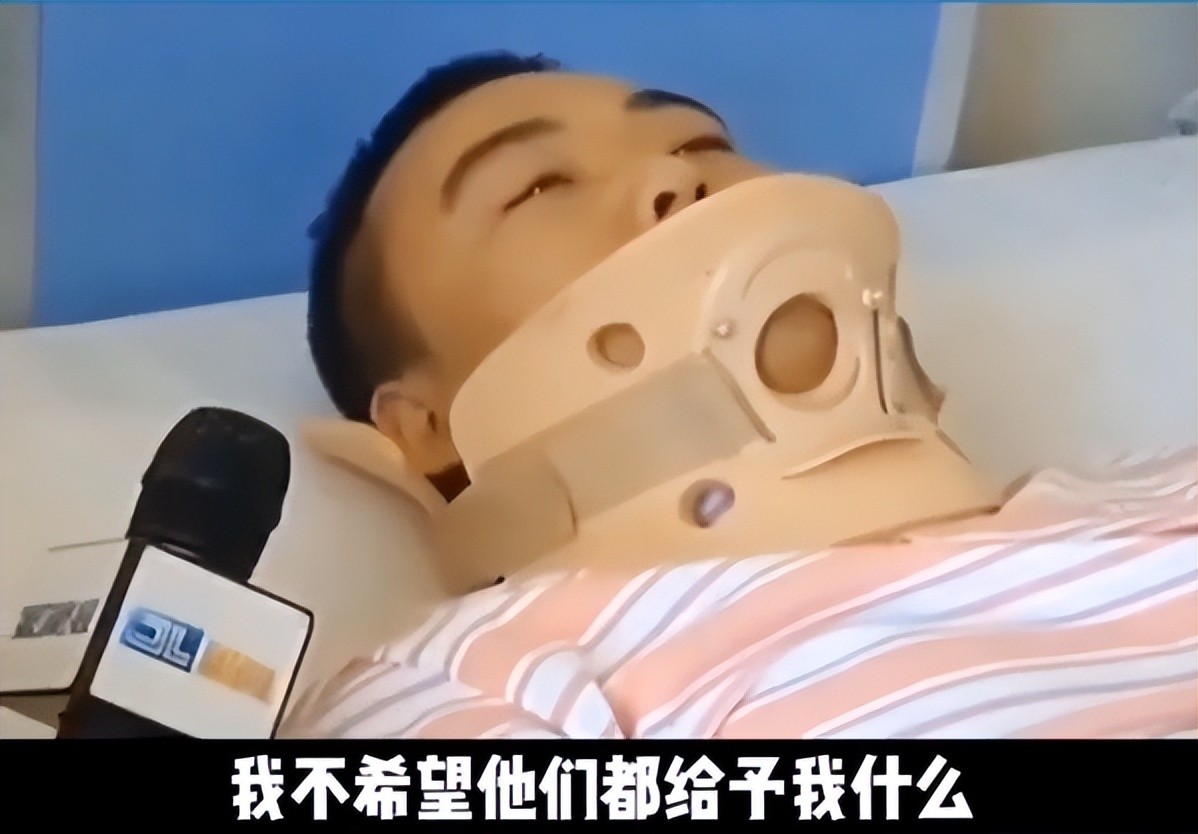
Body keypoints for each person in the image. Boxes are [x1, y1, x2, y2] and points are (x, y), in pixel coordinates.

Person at [283, 52, 1197, 739]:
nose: (677, 176)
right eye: (539, 186)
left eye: (701, 142)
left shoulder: (1163, 490)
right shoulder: (472, 681)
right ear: (427, 428)